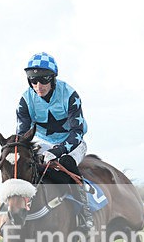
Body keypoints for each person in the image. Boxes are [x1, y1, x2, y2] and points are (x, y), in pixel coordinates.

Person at [16, 52, 94, 230]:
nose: (38, 86)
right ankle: (15, 213)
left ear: (52, 78)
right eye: (33, 80)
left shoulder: (70, 95)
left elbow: (77, 132)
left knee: (66, 162)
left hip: (73, 142)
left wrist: (57, 151)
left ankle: (85, 214)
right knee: (23, 163)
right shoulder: (25, 101)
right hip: (44, 142)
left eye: (43, 80)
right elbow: (22, 137)